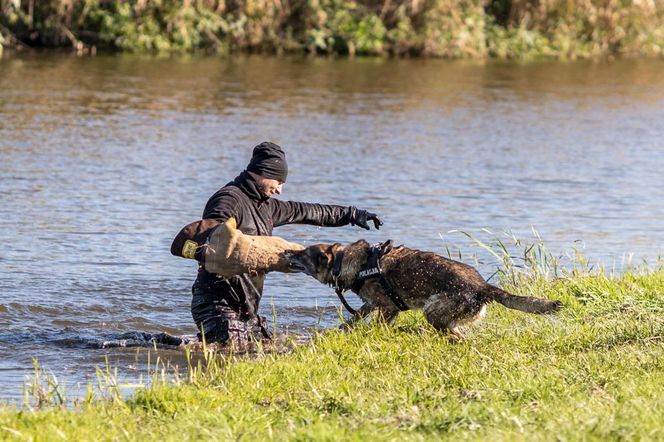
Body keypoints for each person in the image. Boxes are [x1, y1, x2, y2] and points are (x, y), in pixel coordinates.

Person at [191, 141, 382, 346]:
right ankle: (157, 343)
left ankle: (162, 342)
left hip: (247, 307)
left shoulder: (266, 206)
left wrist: (352, 214)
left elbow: (308, 211)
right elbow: (211, 239)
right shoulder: (228, 200)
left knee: (266, 348)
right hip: (217, 303)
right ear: (264, 172)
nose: (280, 190)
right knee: (229, 354)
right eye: (279, 182)